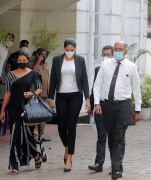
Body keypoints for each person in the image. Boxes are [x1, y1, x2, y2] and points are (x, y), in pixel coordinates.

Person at [93, 41, 141, 180]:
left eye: (121, 49)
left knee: (119, 137)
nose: (118, 51)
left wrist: (137, 110)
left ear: (125, 51)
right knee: (112, 137)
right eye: (116, 49)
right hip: (107, 106)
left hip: (123, 106)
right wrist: (97, 103)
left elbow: (136, 89)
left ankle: (116, 169)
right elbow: (97, 85)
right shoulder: (105, 64)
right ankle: (118, 165)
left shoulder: (131, 67)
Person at [0, 51, 46, 175]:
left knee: (27, 136)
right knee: (15, 136)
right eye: (19, 60)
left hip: (27, 108)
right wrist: (2, 110)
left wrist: (32, 93)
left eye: (24, 60)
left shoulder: (34, 74)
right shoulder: (10, 75)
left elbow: (40, 88)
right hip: (14, 108)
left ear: (28, 60)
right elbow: (8, 93)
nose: (21, 62)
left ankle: (35, 154)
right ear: (16, 62)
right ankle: (15, 165)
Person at [48, 38, 90, 172]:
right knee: (61, 126)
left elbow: (84, 80)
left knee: (71, 125)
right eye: (67, 50)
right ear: (64, 48)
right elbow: (53, 79)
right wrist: (50, 97)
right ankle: (67, 146)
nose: (70, 52)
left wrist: (87, 98)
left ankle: (69, 157)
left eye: (72, 50)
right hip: (61, 96)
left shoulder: (80, 60)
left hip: (75, 96)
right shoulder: (57, 60)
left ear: (75, 49)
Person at [88, 45, 113, 173]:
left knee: (114, 138)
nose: (105, 58)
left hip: (114, 107)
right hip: (100, 107)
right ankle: (99, 162)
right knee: (101, 136)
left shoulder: (119, 68)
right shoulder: (98, 69)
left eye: (108, 55)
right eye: (104, 55)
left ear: (113, 56)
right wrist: (92, 106)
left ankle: (116, 164)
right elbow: (95, 88)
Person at [30, 48, 51, 142]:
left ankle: (41, 135)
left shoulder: (46, 65)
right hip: (37, 94)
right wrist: (38, 60)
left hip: (46, 94)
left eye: (45, 55)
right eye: (42, 55)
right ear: (38, 55)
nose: (44, 56)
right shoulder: (33, 64)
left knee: (44, 116)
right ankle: (33, 136)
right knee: (36, 115)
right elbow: (33, 72)